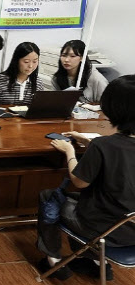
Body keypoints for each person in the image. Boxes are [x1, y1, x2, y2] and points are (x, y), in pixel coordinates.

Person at [36, 75, 135, 281]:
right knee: (85, 201)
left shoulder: (104, 146)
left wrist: (69, 151)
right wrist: (92, 144)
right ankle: (96, 262)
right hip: (131, 230)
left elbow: (79, 181)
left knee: (49, 196)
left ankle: (54, 261)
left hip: (105, 230)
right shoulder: (103, 146)